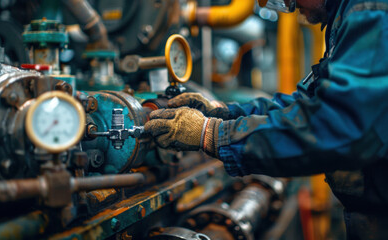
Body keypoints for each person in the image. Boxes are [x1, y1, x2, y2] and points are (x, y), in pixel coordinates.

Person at [144, 0, 388, 238]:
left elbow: (339, 125)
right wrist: (222, 112)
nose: (288, 5)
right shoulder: (344, 17)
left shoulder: (369, 9)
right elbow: (306, 105)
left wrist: (212, 133)